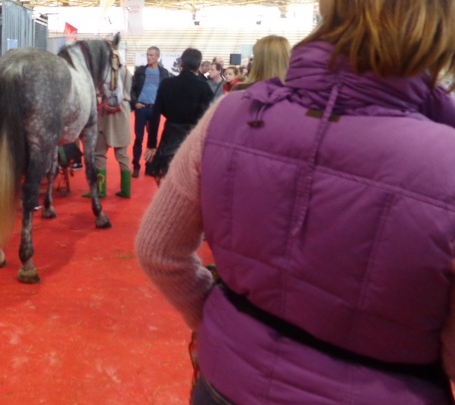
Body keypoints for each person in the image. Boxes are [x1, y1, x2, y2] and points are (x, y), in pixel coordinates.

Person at [136, 0, 455, 403]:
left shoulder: (231, 113)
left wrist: (219, 319)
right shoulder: (447, 161)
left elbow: (157, 250)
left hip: (225, 379)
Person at [143, 48, 213, 186]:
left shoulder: (167, 84)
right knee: (190, 183)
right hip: (193, 139)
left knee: (168, 182)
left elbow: (155, 116)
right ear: (199, 66)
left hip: (170, 137)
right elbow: (210, 119)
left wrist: (151, 144)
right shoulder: (204, 87)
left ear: (181, 63)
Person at [82, 65, 133, 198]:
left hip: (106, 112)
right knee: (122, 154)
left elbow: (97, 91)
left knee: (99, 153)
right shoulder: (126, 71)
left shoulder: (103, 71)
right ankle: (126, 190)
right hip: (124, 110)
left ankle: (100, 190)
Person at [130, 46, 171, 178]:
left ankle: (149, 166)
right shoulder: (140, 71)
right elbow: (131, 89)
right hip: (141, 109)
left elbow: (166, 92)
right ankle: (136, 165)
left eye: (152, 55)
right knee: (139, 138)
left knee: (152, 140)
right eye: (147, 55)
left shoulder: (164, 73)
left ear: (158, 57)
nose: (149, 57)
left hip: (155, 110)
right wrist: (135, 102)